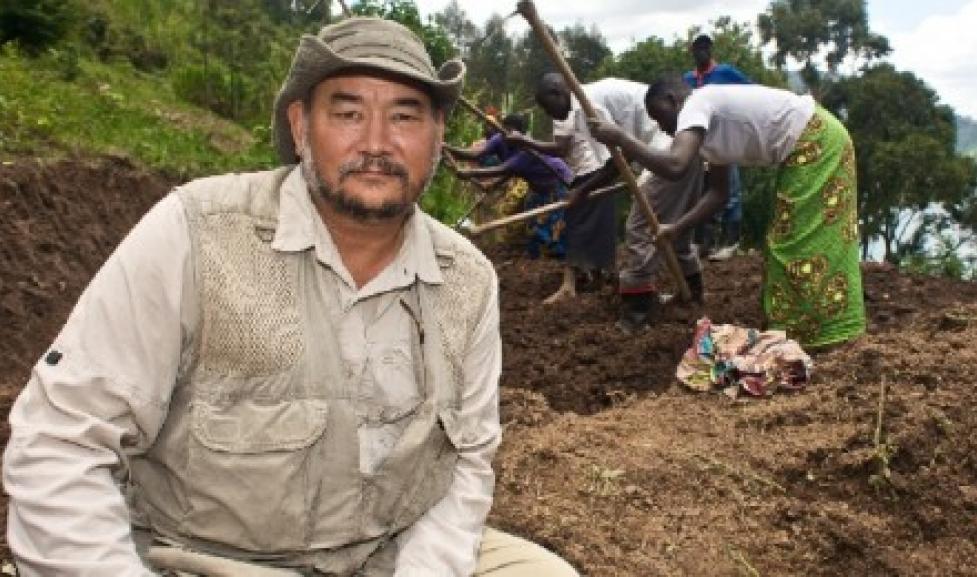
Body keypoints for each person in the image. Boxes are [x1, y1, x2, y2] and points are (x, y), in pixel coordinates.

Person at [2, 17, 580, 577]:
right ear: (302, 126)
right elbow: (62, 443)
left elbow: (468, 464)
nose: (377, 143)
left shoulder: (467, 281)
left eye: (405, 116)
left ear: (436, 139)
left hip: (386, 553)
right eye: (349, 113)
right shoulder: (198, 232)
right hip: (205, 558)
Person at [588, 76, 866, 348]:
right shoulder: (709, 136)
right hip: (812, 142)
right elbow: (718, 195)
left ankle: (818, 334)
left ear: (672, 100)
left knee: (797, 242)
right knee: (791, 241)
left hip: (816, 140)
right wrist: (678, 227)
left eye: (660, 118)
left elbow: (675, 165)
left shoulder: (698, 102)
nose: (662, 129)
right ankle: (805, 330)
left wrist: (621, 137)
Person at [508, 73, 703, 318]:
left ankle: (639, 309)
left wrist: (581, 190)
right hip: (685, 141)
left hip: (667, 143)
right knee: (676, 228)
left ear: (559, 93)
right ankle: (692, 292)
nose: (550, 116)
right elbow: (622, 157)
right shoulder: (586, 102)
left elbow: (616, 162)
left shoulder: (590, 107)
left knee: (640, 226)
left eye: (548, 108)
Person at [446, 113, 573, 259]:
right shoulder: (499, 139)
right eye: (505, 129)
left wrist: (468, 173)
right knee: (533, 227)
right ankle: (536, 257)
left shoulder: (525, 151)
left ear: (521, 134)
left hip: (557, 182)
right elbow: (476, 154)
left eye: (512, 131)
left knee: (556, 225)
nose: (508, 134)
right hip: (536, 188)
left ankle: (556, 257)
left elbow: (505, 169)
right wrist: (448, 148)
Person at [684, 33, 752, 261]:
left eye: (706, 46)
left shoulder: (726, 73)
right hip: (699, 142)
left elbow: (751, 92)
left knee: (729, 190)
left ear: (711, 49)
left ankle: (730, 242)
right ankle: (704, 242)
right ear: (692, 51)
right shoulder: (689, 80)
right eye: (698, 47)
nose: (702, 50)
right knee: (704, 191)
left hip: (724, 137)